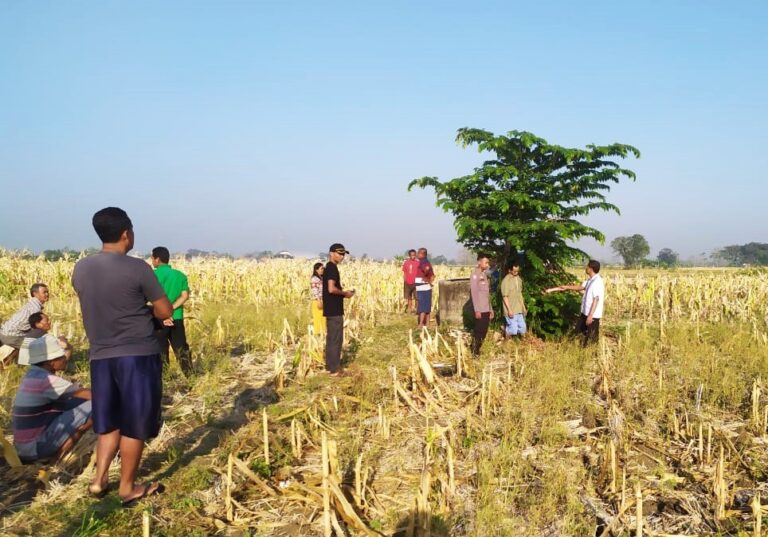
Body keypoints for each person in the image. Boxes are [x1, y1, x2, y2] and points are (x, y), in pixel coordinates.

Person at [72, 207, 173, 505]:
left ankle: (98, 479)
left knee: (110, 421)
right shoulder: (138, 268)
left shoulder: (81, 268)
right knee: (135, 422)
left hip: (100, 356)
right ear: (126, 233)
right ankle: (127, 487)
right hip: (137, 355)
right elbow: (165, 311)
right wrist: (147, 310)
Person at [12, 334, 93, 463]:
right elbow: (90, 395)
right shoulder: (47, 380)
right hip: (36, 448)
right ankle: (57, 460)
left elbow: (76, 394)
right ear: (51, 362)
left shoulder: (34, 374)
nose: (65, 359)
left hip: (24, 448)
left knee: (78, 403)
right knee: (96, 406)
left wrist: (67, 348)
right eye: (61, 357)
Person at [151, 246, 192, 373]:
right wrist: (171, 309)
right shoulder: (180, 276)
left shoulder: (152, 276)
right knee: (181, 348)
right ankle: (190, 376)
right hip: (177, 316)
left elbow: (149, 297)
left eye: (152, 258)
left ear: (157, 259)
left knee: (161, 348)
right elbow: (185, 296)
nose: (152, 261)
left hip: (158, 318)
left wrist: (164, 312)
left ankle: (165, 378)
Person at [545, 259, 605, 346]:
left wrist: (591, 315)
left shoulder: (597, 282)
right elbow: (580, 287)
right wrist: (566, 287)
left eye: (587, 266)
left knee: (592, 337)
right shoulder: (590, 280)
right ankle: (579, 349)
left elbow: (596, 299)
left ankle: (591, 354)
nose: (586, 268)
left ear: (591, 268)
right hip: (585, 313)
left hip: (592, 316)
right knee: (578, 332)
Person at [322, 243, 354, 375]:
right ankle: (335, 369)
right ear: (331, 253)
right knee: (336, 339)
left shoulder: (328, 268)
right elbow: (331, 288)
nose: (342, 257)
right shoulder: (332, 268)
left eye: (343, 254)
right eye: (339, 254)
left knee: (331, 339)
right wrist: (345, 293)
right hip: (334, 309)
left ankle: (330, 366)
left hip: (330, 308)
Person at [0, 283, 50, 348]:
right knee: (39, 346)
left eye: (47, 292)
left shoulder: (31, 304)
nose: (47, 294)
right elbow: (39, 328)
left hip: (5, 333)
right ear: (35, 294)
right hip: (11, 336)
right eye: (44, 292)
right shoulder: (35, 308)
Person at [470, 254, 494, 355]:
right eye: (486, 262)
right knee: (479, 331)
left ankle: (477, 349)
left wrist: (491, 309)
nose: (488, 265)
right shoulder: (475, 275)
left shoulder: (484, 275)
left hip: (486, 308)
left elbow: (487, 295)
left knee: (484, 331)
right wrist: (477, 310)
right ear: (479, 262)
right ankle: (474, 351)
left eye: (488, 263)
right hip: (480, 309)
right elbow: (474, 294)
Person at [500, 264, 527, 338]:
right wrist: (509, 310)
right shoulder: (506, 281)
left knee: (523, 328)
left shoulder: (518, 279)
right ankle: (506, 334)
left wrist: (523, 307)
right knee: (513, 329)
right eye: (515, 271)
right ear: (509, 270)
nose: (516, 273)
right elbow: (505, 297)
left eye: (518, 271)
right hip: (511, 308)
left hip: (519, 308)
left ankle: (519, 342)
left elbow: (520, 294)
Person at [415, 248, 435, 328]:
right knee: (426, 305)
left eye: (418, 253)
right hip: (422, 287)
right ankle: (427, 324)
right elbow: (433, 275)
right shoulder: (424, 262)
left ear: (422, 254)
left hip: (424, 287)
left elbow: (427, 270)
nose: (417, 255)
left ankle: (421, 324)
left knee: (423, 306)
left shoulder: (424, 262)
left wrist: (426, 278)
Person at [401, 249, 420, 314]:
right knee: (409, 297)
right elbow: (404, 272)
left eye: (414, 255)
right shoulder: (406, 263)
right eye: (412, 255)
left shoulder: (418, 263)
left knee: (417, 297)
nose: (413, 256)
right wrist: (404, 280)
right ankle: (409, 309)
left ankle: (417, 309)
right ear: (409, 255)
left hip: (416, 282)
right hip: (408, 282)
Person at [310, 262, 326, 335]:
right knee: (318, 318)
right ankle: (317, 334)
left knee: (323, 318)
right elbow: (315, 290)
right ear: (316, 270)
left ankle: (323, 333)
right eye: (321, 268)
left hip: (323, 300)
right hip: (317, 301)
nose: (323, 270)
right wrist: (319, 301)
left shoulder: (321, 278)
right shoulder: (314, 279)